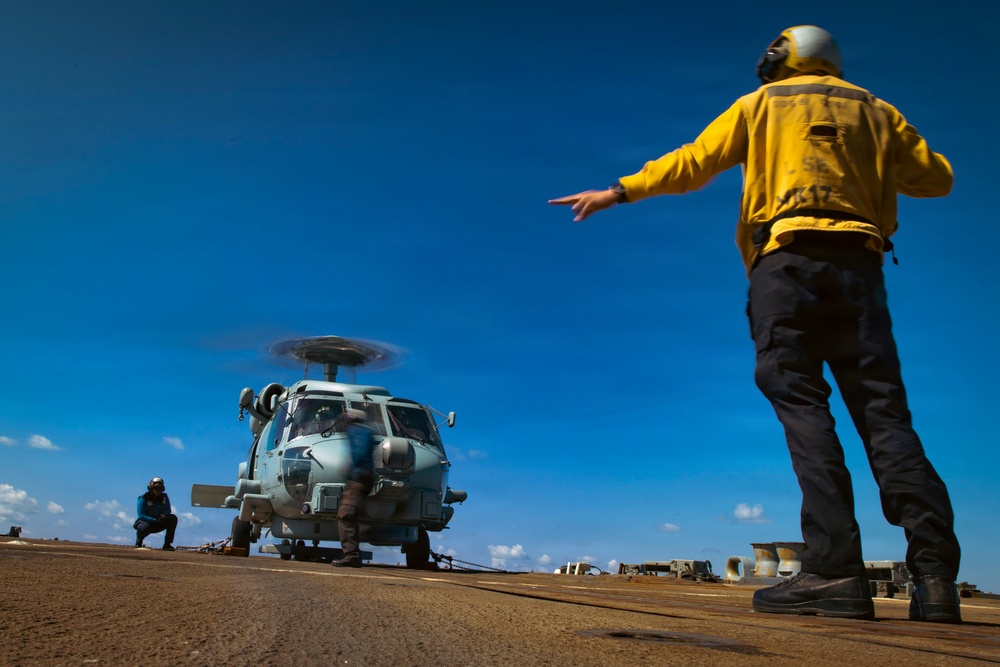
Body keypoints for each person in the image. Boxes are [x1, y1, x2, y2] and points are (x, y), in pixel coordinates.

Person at [550, 25, 961, 623]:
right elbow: (938, 178)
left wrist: (619, 191)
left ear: (782, 57)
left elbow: (695, 163)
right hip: (861, 269)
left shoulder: (761, 104)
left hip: (787, 265)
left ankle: (834, 572)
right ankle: (934, 579)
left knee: (802, 405)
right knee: (884, 416)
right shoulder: (878, 110)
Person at [331, 409, 376, 568]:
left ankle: (352, 556)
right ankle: (353, 552)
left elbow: (360, 452)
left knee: (345, 515)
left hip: (358, 478)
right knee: (352, 514)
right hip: (365, 478)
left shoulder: (356, 430)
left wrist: (352, 470)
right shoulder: (367, 431)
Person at [134, 476, 178, 551]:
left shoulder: (164, 497)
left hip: (160, 521)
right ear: (151, 487)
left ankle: (167, 544)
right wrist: (154, 520)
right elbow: (141, 515)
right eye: (156, 488)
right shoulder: (143, 498)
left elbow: (168, 510)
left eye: (160, 489)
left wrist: (163, 516)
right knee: (143, 527)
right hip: (147, 523)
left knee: (173, 518)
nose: (158, 490)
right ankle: (139, 541)